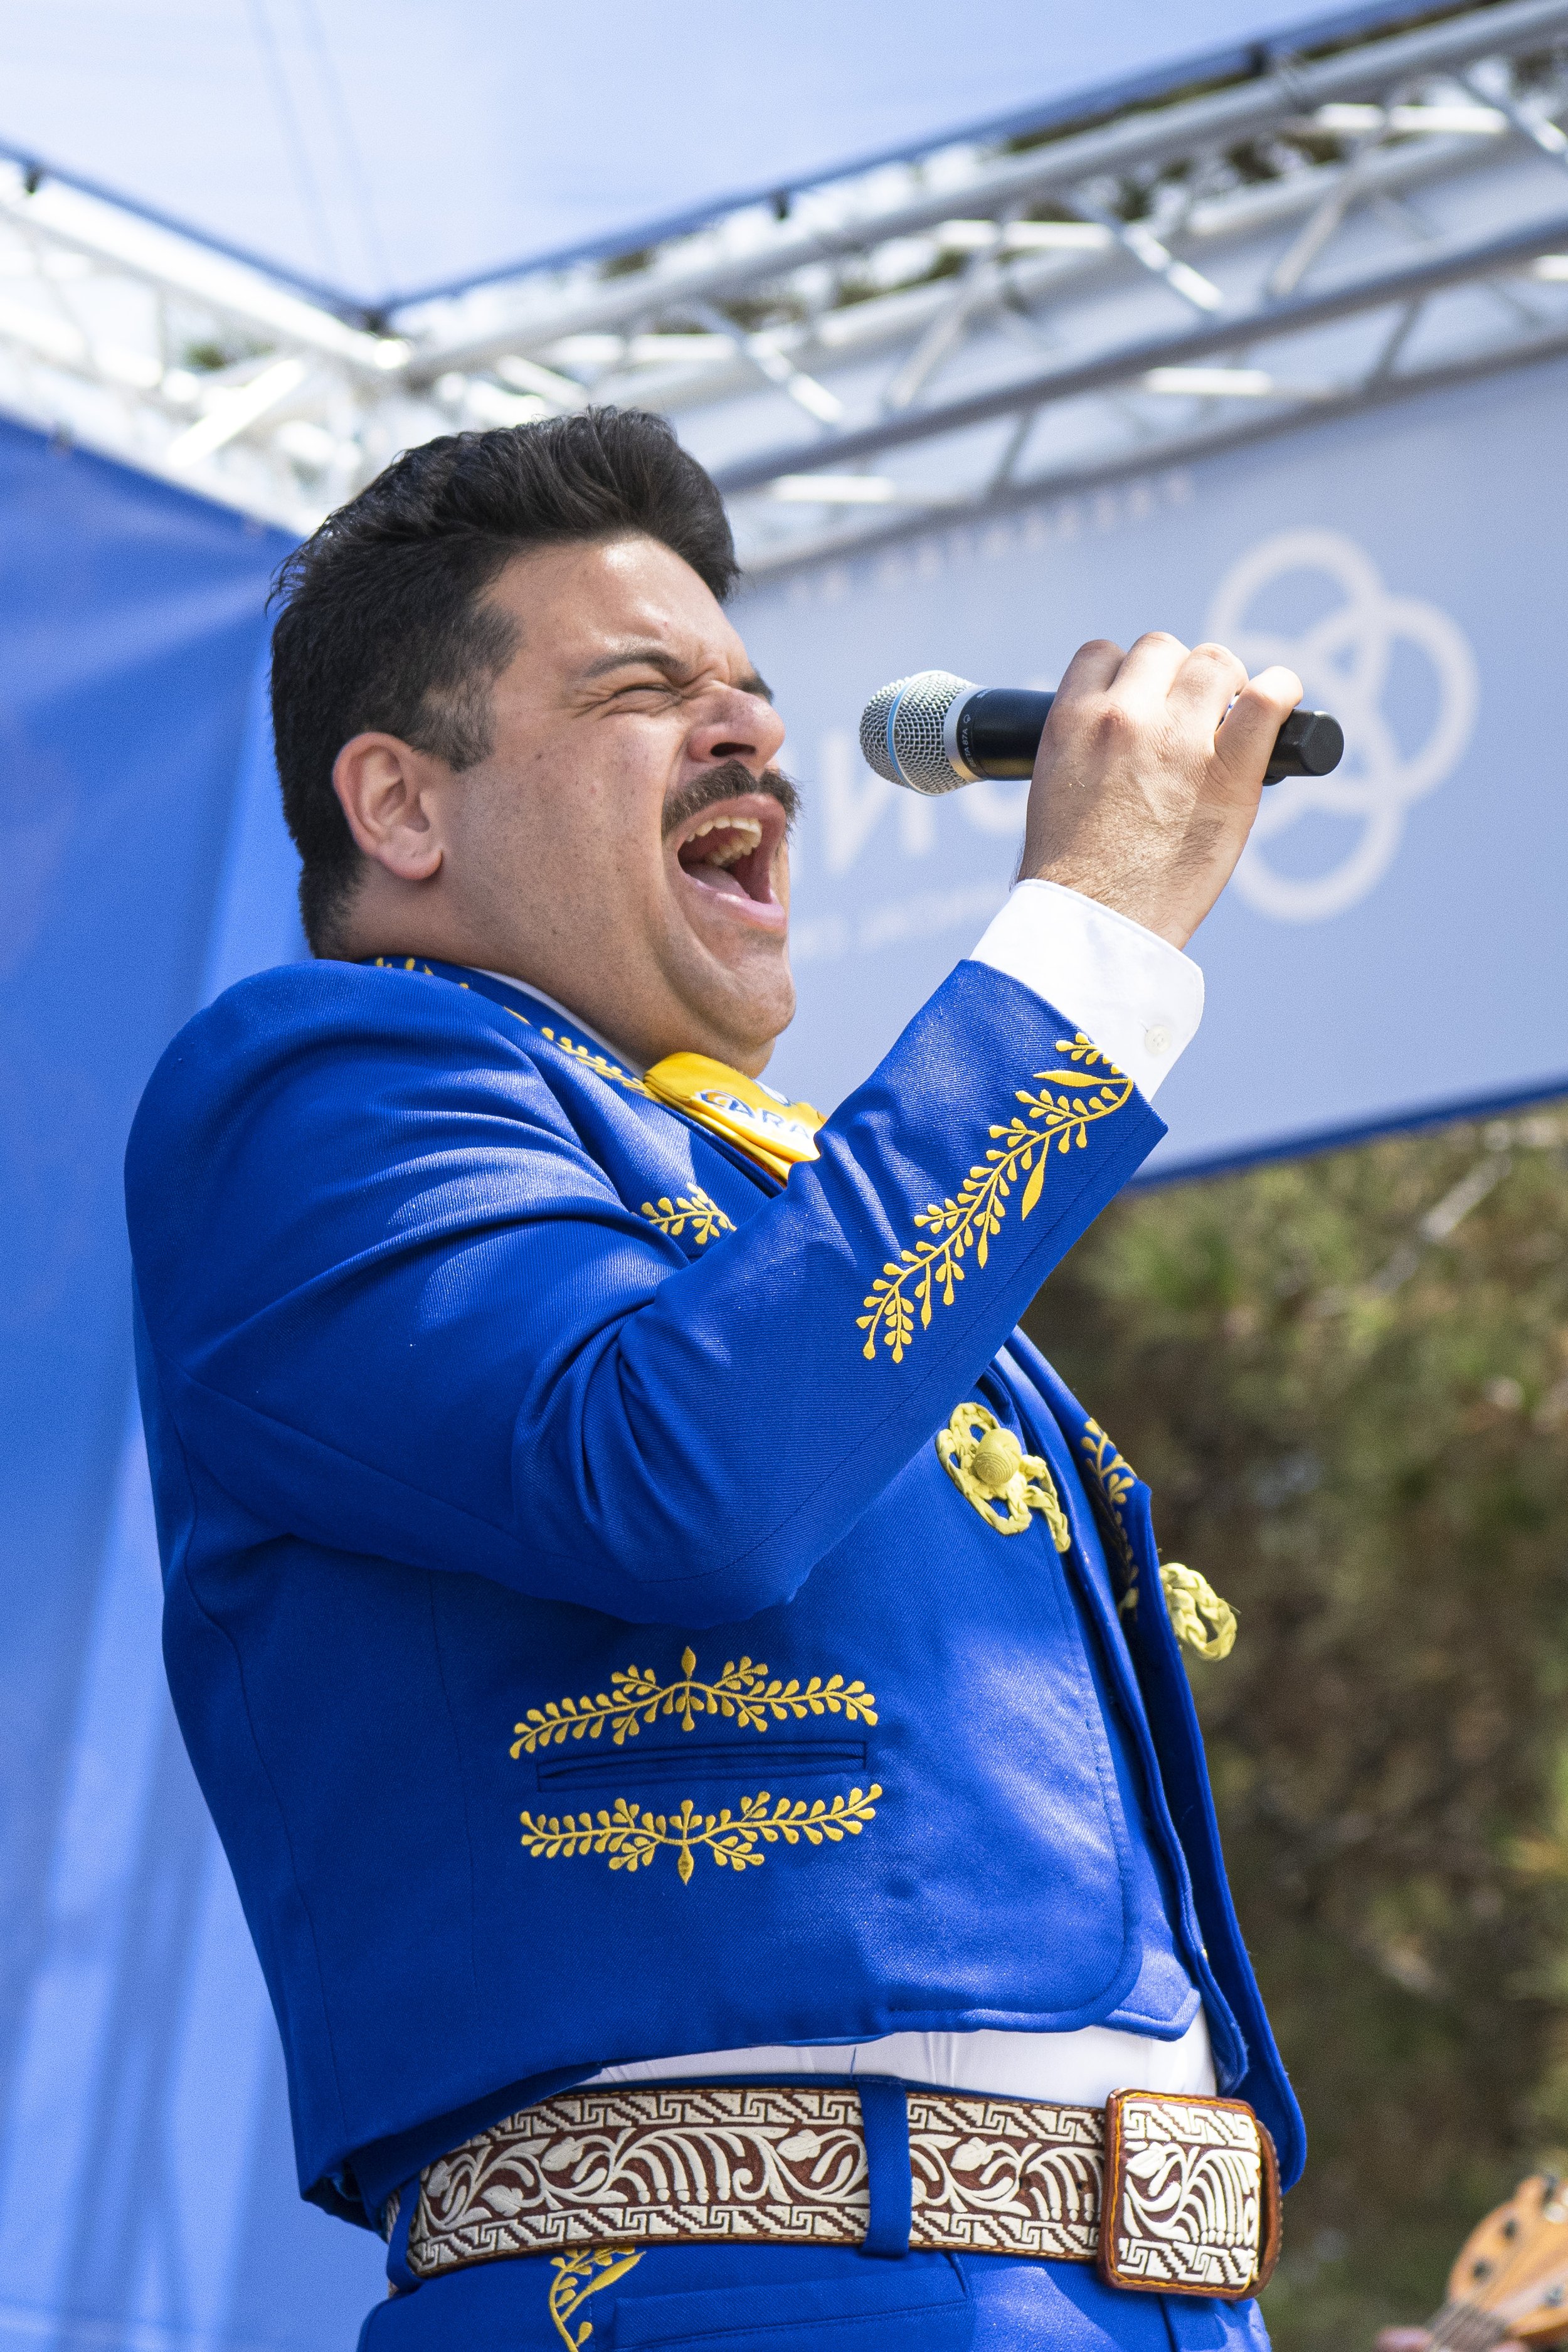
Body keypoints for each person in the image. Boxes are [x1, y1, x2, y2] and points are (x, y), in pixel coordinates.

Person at [125, 410, 1306, 2352]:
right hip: (716, 2297)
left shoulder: (763, 1181)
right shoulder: (316, 1090)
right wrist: (1085, 946)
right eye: (644, 689)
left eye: (749, 689)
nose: (749, 731)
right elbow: (680, 1478)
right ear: (404, 808)